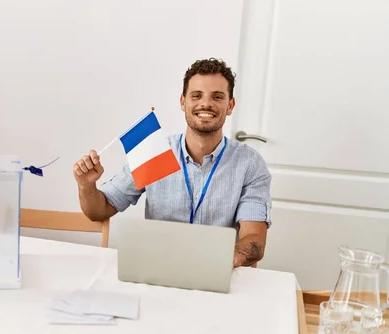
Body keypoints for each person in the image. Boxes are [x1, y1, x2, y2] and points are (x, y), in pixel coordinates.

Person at [72, 58, 272, 268]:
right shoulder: (155, 152)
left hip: (219, 271)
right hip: (158, 269)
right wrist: (86, 185)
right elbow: (99, 210)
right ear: (182, 102)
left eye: (217, 96)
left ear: (230, 105)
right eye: (196, 95)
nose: (206, 104)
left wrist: (221, 261)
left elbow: (254, 239)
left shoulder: (250, 164)